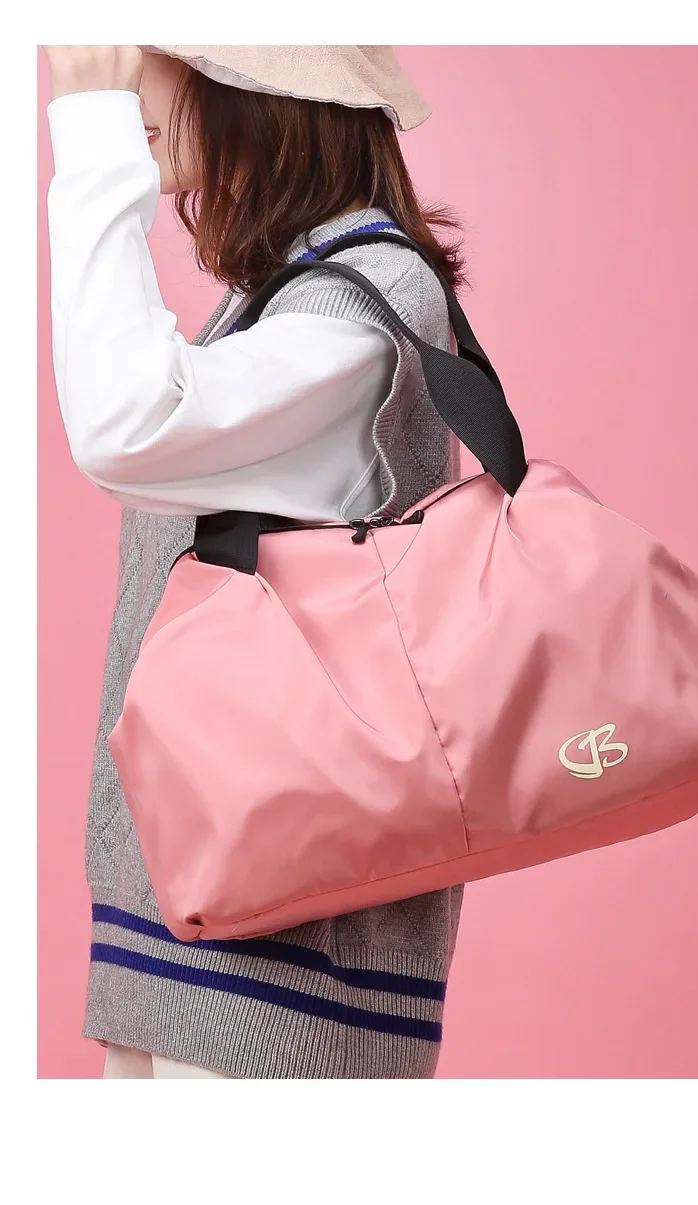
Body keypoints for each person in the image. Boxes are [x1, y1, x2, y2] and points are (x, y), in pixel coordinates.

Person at [44, 44, 466, 1078]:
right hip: (197, 933)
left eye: (155, 59)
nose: (128, 85)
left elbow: (127, 424)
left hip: (282, 966)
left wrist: (95, 139)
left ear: (262, 88)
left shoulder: (362, 301)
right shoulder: (291, 296)